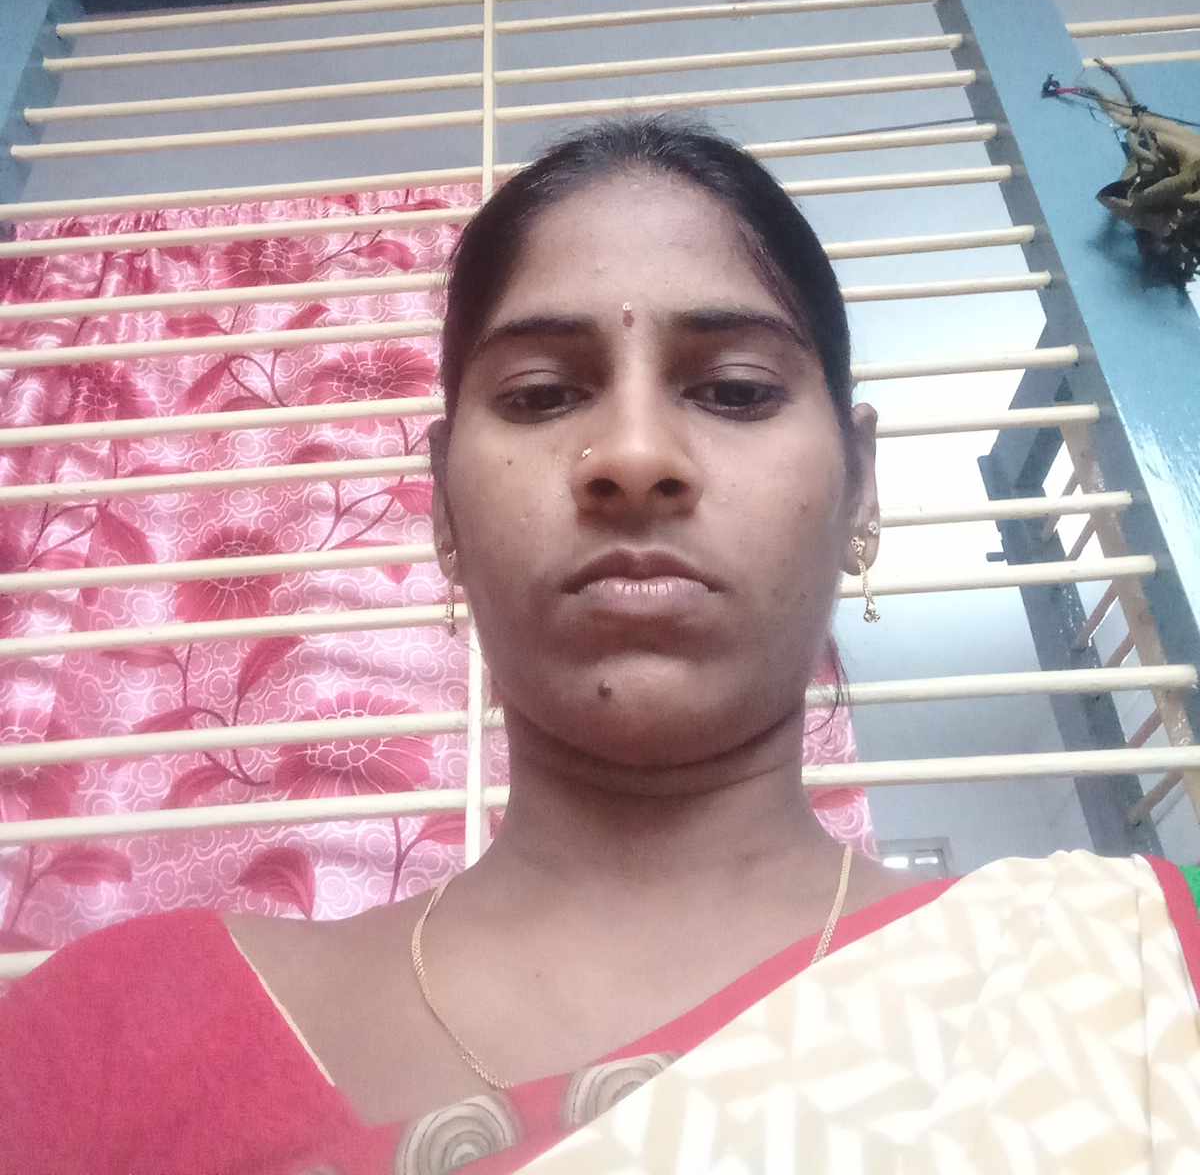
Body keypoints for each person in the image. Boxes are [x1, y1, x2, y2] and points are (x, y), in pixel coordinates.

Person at [2, 116, 1198, 1175]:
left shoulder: (1134, 980)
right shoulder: (106, 1044)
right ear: (442, 506)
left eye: (735, 389)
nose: (632, 454)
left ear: (861, 488)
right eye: (540, 395)